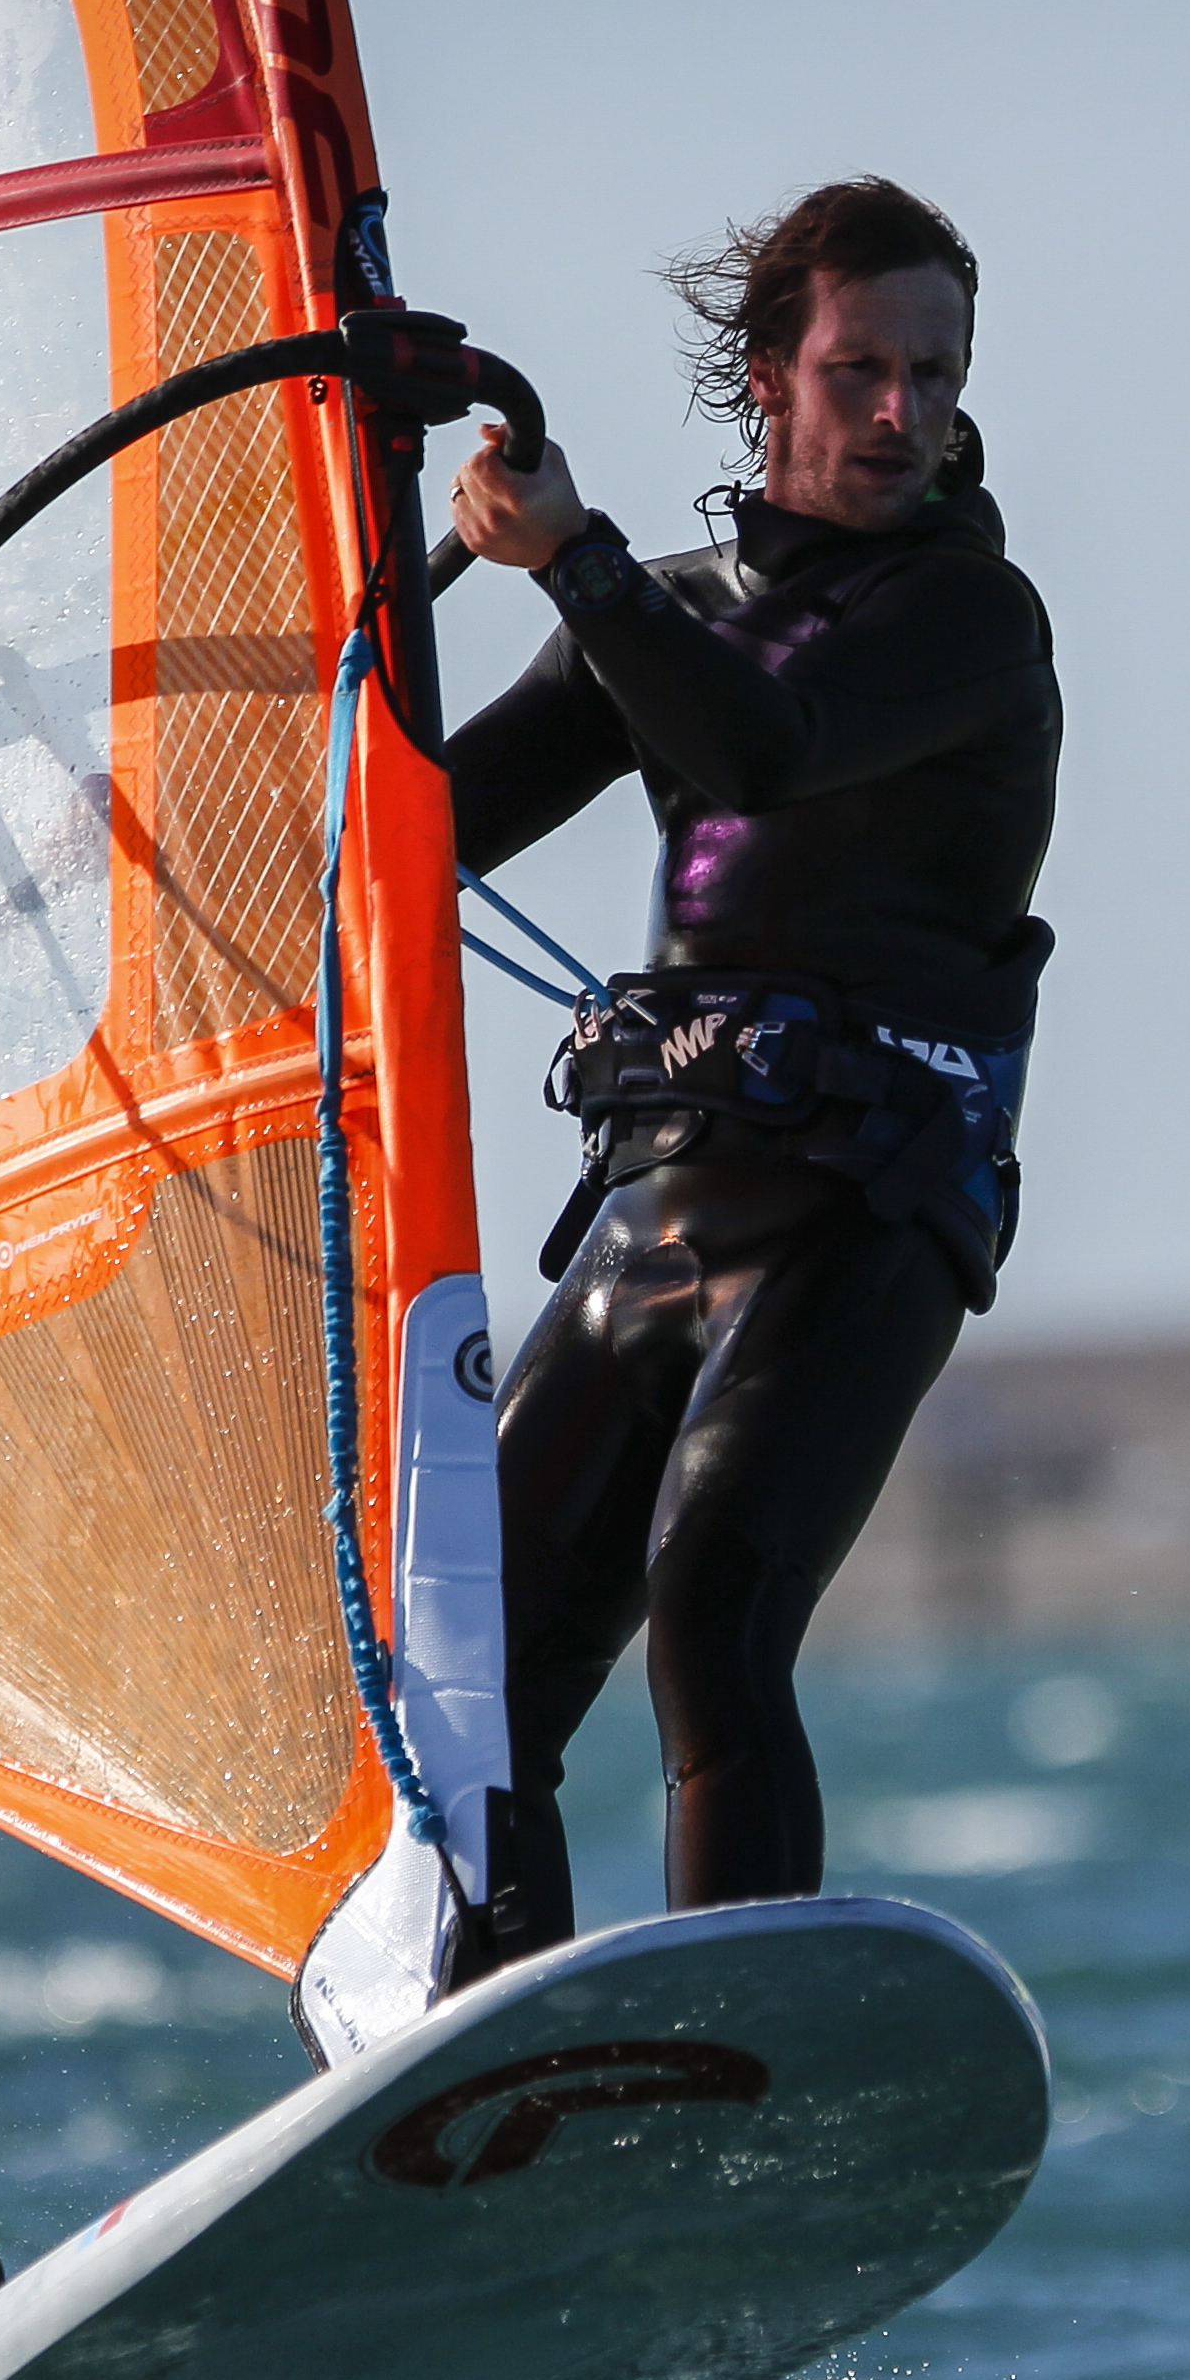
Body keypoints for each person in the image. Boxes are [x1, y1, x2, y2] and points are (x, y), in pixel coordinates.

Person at [428, 178, 1061, 1985]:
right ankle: (496, 2059)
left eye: (932, 375)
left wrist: (583, 565)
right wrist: (355, 640)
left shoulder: (967, 618)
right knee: (478, 1672)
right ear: (770, 376)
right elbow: (431, 830)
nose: (901, 414)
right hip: (659, 1217)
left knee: (713, 1609)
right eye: (859, 369)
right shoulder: (671, 611)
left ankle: (737, 2051)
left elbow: (761, 750)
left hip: (866, 1210)